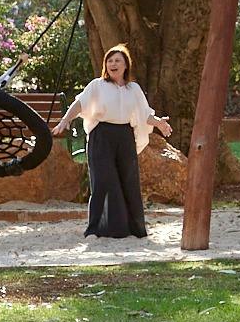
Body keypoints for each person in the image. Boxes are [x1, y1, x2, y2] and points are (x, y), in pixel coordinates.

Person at [53, 44, 170, 239]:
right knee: (103, 181)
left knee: (129, 180)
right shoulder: (97, 85)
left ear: (126, 65)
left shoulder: (134, 89)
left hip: (125, 136)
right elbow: (80, 103)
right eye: (110, 60)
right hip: (102, 135)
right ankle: (95, 228)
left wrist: (159, 124)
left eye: (117, 60)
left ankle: (134, 229)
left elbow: (144, 113)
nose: (113, 64)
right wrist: (66, 119)